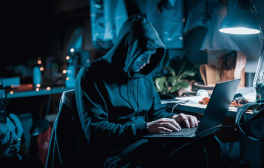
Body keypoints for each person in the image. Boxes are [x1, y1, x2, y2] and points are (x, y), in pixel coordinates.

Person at [47, 15, 221, 168]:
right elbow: (97, 134)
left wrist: (174, 120)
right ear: (127, 49)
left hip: (146, 141)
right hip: (116, 151)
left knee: (210, 144)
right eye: (143, 55)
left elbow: (157, 113)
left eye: (152, 55)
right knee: (187, 156)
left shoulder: (142, 73)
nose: (148, 61)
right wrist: (145, 128)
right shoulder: (91, 75)